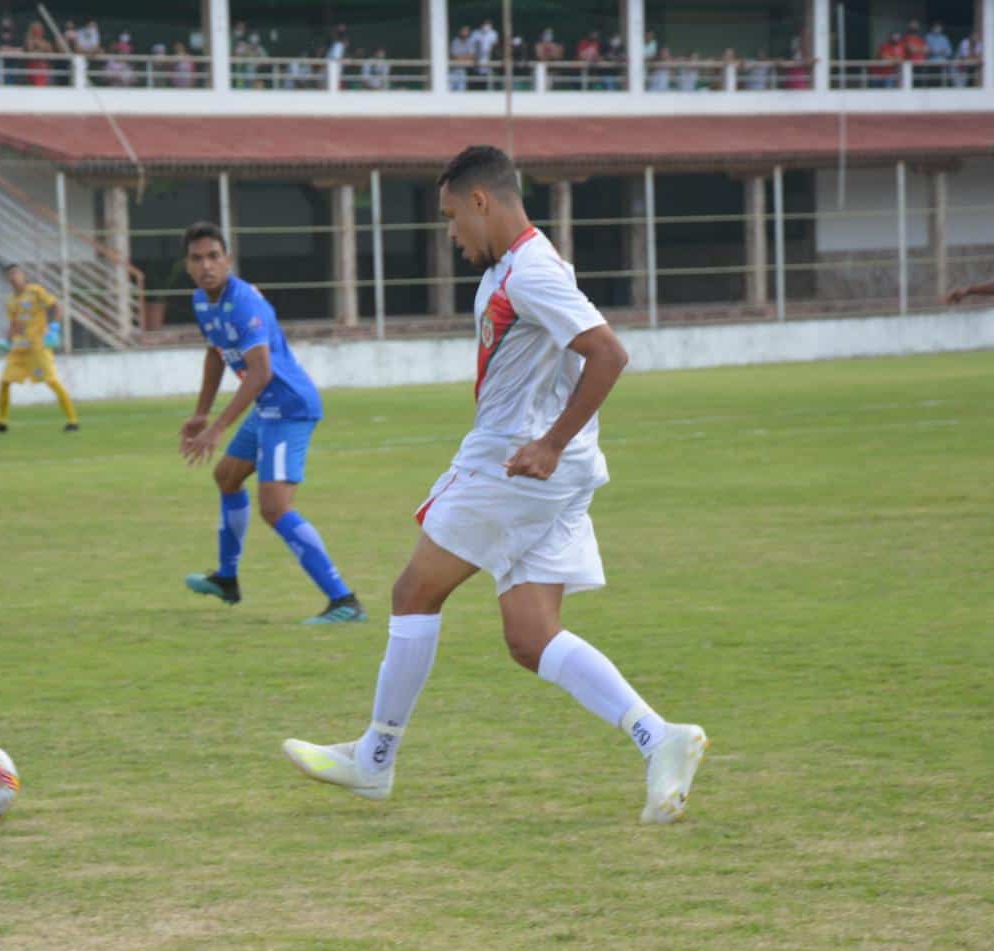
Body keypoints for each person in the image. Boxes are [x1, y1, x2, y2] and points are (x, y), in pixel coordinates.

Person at [282, 146, 707, 824]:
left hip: (514, 466)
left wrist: (548, 442)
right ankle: (661, 738)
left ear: (483, 201)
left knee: (413, 590)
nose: (451, 235)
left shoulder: (532, 271)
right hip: (546, 473)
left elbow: (608, 353)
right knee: (529, 635)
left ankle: (375, 759)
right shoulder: (518, 268)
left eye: (452, 218)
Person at [178, 222, 367, 625]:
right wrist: (201, 413)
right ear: (188, 265)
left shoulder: (244, 302)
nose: (207, 265)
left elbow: (261, 371)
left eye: (214, 256)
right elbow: (216, 354)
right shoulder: (201, 301)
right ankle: (227, 580)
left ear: (227, 260)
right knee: (227, 477)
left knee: (275, 507)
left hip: (289, 406)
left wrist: (219, 428)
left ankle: (344, 600)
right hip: (266, 406)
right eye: (198, 258)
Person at [0, 265, 79, 433]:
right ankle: (1, 422)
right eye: (10, 275)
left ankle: (73, 421)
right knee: (4, 382)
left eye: (16, 273)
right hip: (19, 348)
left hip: (37, 346)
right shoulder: (11, 301)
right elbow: (14, 324)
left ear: (23, 275)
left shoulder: (35, 291)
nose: (13, 277)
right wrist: (7, 341)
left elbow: (57, 306)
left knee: (51, 381)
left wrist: (54, 328)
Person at [925, 22, 952, 87]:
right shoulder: (928, 37)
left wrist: (942, 52)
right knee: (932, 80)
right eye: (936, 27)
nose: (937, 29)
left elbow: (949, 52)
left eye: (939, 27)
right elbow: (926, 50)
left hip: (942, 63)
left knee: (942, 81)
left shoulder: (944, 38)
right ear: (932, 28)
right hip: (931, 63)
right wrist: (936, 52)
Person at [449, 25, 474, 90]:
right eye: (463, 31)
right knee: (450, 88)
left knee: (461, 89)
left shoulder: (470, 42)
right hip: (453, 69)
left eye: (466, 31)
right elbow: (453, 56)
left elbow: (471, 56)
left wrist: (461, 58)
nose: (464, 32)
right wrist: (464, 58)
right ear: (460, 31)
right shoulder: (455, 41)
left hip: (463, 70)